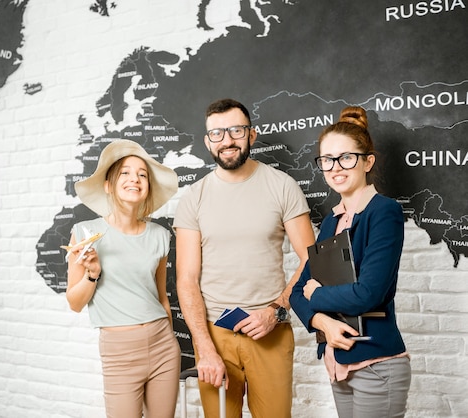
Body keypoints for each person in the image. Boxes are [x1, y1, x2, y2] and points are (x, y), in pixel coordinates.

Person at [174, 98, 315, 418]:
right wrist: (204, 347)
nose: (227, 140)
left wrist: (276, 311)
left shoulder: (283, 186)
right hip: (215, 335)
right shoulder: (193, 197)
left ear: (251, 135)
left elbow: (312, 259)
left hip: (271, 333)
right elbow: (186, 279)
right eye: (217, 133)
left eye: (236, 130)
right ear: (208, 141)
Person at [289, 106, 411, 418]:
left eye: (346, 157)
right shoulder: (331, 221)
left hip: (377, 365)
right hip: (338, 360)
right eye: (327, 159)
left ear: (367, 161)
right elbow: (296, 291)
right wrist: (322, 322)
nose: (335, 167)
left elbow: (368, 293)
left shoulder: (383, 212)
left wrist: (316, 296)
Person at [65, 139, 181, 418]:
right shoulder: (84, 233)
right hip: (119, 352)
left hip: (163, 344)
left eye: (142, 174)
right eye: (125, 173)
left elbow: (160, 296)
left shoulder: (160, 235)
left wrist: (167, 330)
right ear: (108, 185)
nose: (135, 179)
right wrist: (93, 274)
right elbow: (75, 303)